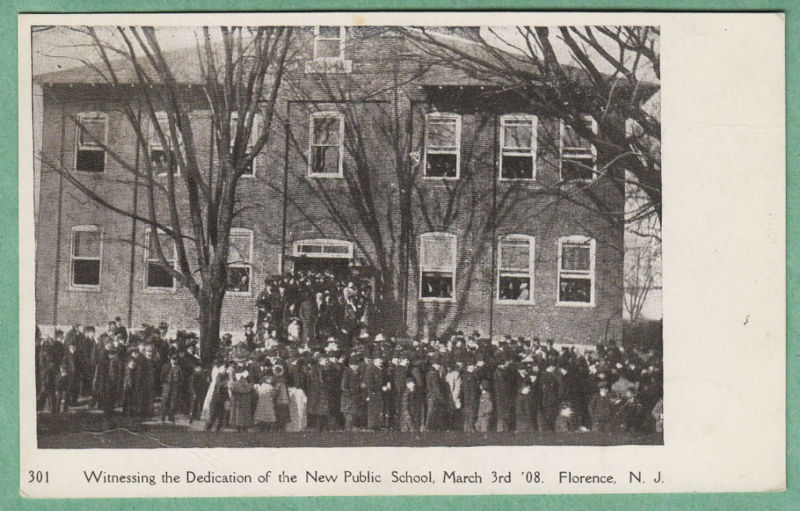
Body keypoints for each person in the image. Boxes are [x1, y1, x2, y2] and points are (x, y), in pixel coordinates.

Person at [160, 354, 183, 423]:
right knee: (165, 400)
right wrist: (163, 384)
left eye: (175, 359)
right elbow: (162, 375)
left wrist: (179, 384)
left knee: (173, 401)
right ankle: (162, 417)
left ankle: (171, 416)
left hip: (175, 385)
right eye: (173, 359)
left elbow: (181, 377)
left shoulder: (178, 367)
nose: (174, 361)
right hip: (167, 384)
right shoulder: (166, 366)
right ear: (170, 360)